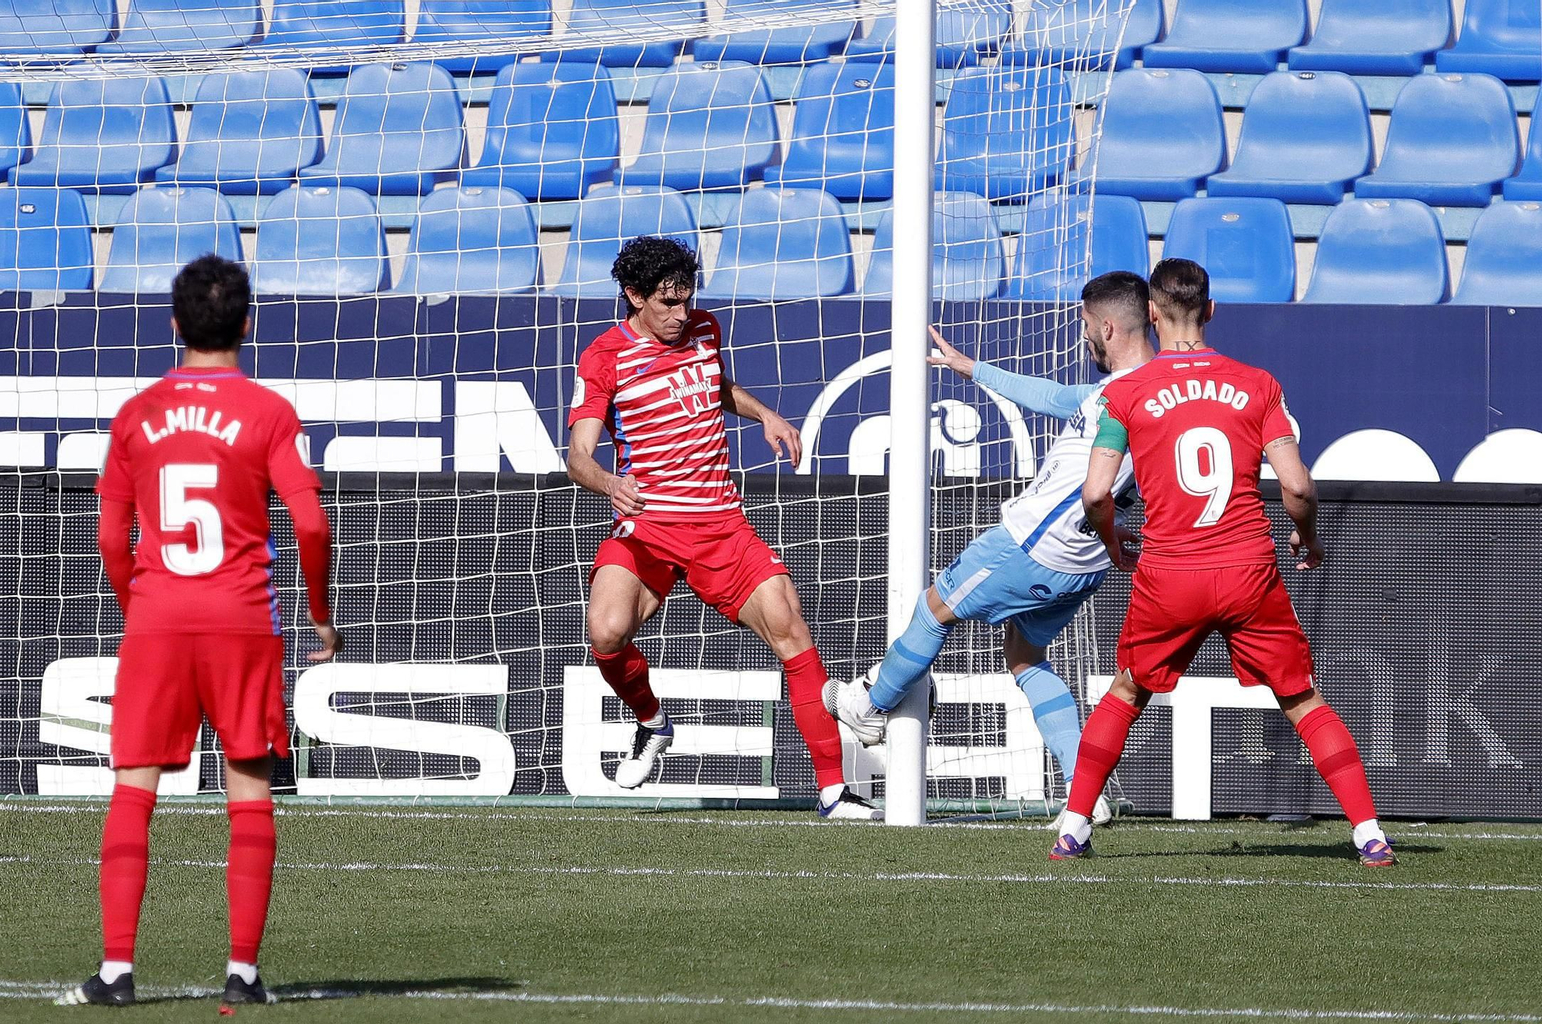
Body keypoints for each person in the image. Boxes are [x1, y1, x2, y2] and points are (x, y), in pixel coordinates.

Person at [58, 256, 343, 1008]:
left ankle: (116, 973)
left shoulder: (136, 413)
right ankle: (242, 975)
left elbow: (111, 538)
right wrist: (319, 610)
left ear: (175, 324)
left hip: (158, 620)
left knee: (134, 789)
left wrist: (138, 609)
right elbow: (311, 522)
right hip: (242, 621)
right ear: (247, 323)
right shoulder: (269, 411)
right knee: (249, 792)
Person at [1055, 258, 1394, 867]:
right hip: (1246, 570)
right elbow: (1297, 486)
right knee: (1301, 699)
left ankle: (1074, 828)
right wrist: (1307, 537)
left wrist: (1112, 544)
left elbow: (1096, 494)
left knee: (1128, 690)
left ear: (1152, 314)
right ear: (1211, 311)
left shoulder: (1125, 392)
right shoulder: (1258, 384)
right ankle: (1369, 833)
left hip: (1169, 573)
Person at [823, 271, 1155, 822]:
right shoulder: (1143, 392)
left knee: (933, 610)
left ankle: (869, 706)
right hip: (1086, 560)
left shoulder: (1124, 394)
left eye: (1086, 327)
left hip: (1032, 544)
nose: (1083, 339)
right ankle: (1084, 790)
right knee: (1025, 656)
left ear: (1108, 326)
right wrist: (970, 368)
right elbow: (1053, 398)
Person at [567, 236, 879, 820]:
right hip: (649, 526)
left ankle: (835, 792)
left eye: (688, 299)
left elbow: (717, 387)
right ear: (634, 296)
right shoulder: (604, 358)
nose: (682, 314)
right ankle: (653, 723)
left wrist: (764, 413)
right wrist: (609, 483)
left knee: (791, 632)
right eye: (667, 303)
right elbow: (577, 455)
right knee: (606, 633)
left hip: (720, 527)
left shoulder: (704, 330)